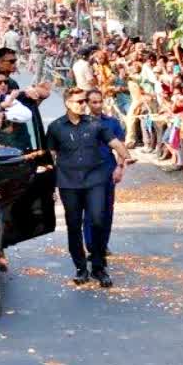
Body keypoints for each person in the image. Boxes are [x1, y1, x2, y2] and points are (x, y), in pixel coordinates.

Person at [46, 87, 131, 287]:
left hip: (96, 179)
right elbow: (50, 156)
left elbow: (115, 142)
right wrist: (49, 186)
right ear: (67, 103)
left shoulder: (96, 124)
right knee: (74, 225)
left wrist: (126, 157)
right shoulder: (56, 127)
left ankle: (99, 265)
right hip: (69, 182)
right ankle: (81, 267)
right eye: (79, 101)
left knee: (98, 219)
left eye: (85, 101)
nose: (83, 104)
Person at [84, 89, 125, 254]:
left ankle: (102, 244)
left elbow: (121, 147)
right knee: (89, 209)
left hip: (107, 168)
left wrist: (120, 167)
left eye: (100, 101)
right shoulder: (81, 123)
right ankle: (91, 245)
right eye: (94, 102)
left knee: (107, 208)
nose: (98, 105)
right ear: (87, 103)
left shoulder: (112, 122)